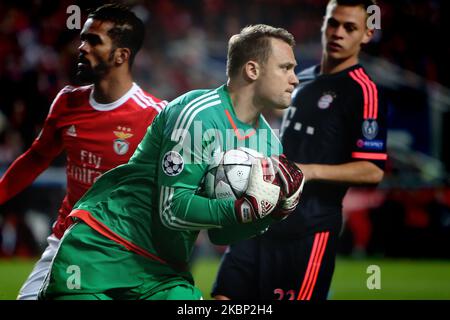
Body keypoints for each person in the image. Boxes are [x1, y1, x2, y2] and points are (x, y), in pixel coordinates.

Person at [37, 24, 304, 300]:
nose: (294, 79)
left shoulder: (269, 145)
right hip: (104, 248)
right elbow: (172, 209)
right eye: (286, 68)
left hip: (162, 273)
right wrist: (244, 210)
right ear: (252, 70)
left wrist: (270, 214)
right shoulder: (196, 114)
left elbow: (221, 236)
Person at [212, 0, 387, 300]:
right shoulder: (299, 80)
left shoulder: (363, 91)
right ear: (323, 24)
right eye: (333, 23)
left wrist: (308, 170)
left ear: (367, 35)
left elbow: (372, 170)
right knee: (223, 298)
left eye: (350, 27)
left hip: (308, 231)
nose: (338, 33)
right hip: (260, 218)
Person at [0, 4, 167, 300]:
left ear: (121, 55)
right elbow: (35, 159)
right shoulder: (67, 102)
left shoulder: (156, 116)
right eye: (82, 38)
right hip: (69, 237)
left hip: (128, 246)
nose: (81, 47)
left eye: (94, 41)